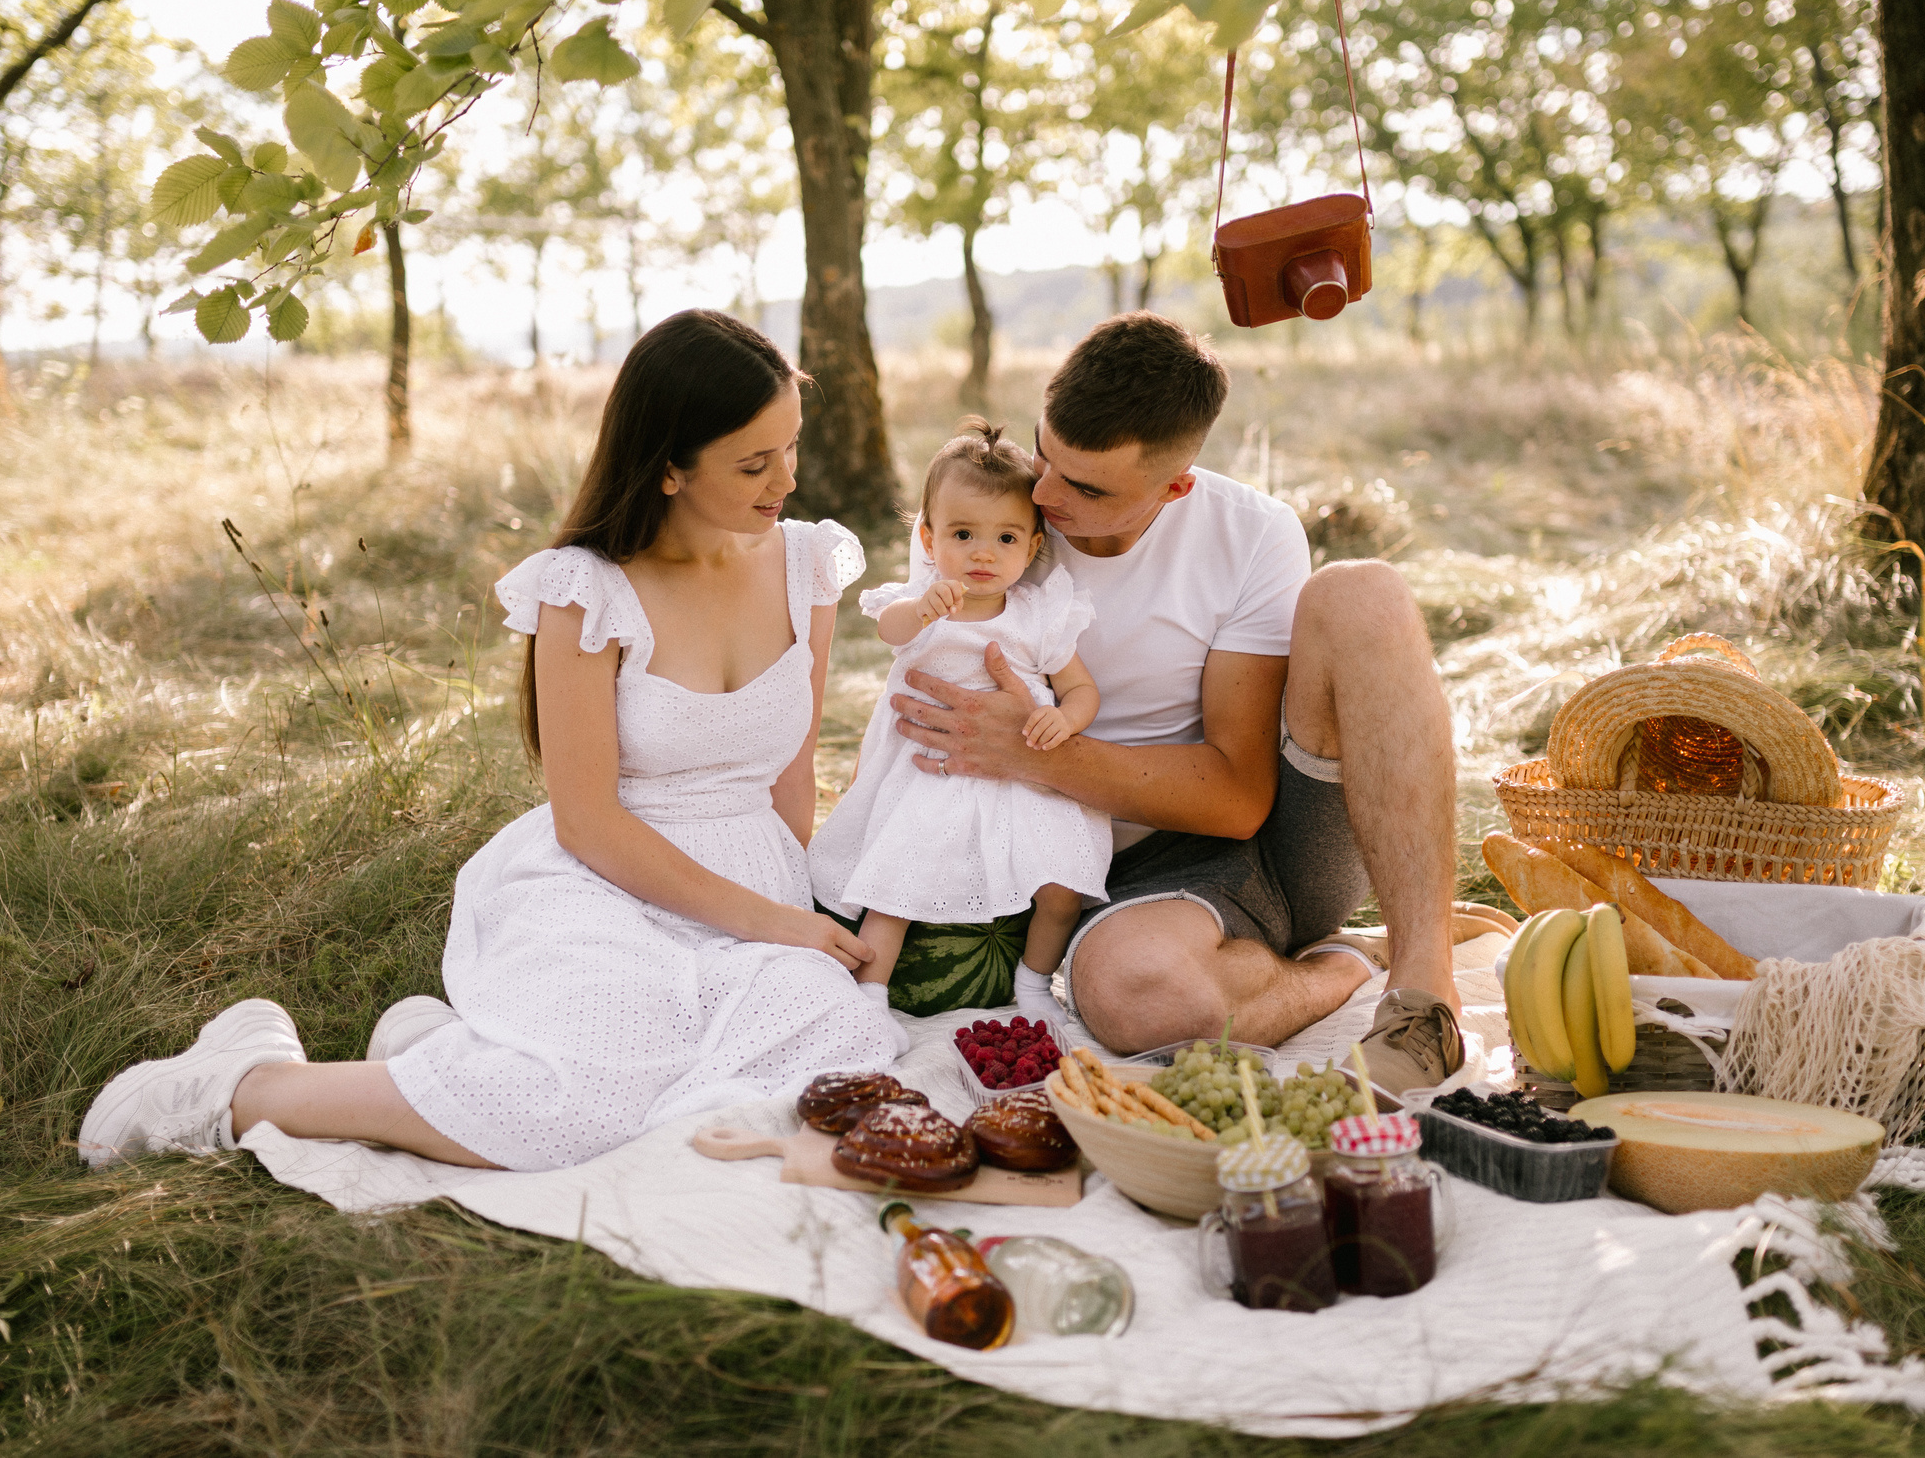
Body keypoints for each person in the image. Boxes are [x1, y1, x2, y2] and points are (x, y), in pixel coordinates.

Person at [77, 311, 903, 1174]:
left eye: (792, 447)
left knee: (831, 1051)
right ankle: (246, 1087)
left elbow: (792, 774)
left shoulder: (807, 563)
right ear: (668, 466)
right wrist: (770, 924)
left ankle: (429, 1051)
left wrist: (795, 923)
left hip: (756, 877)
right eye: (753, 462)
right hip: (614, 878)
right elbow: (587, 820)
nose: (788, 479)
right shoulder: (586, 590)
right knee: (577, 1103)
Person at [888, 313, 1470, 1092]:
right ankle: (1341, 962)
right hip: (1110, 869)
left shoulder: (1251, 534)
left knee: (1363, 593)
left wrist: (1036, 753)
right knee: (1135, 998)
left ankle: (1423, 993)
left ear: (1175, 487)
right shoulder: (994, 517)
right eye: (1044, 451)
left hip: (1271, 840)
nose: (1046, 493)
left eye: (1087, 486)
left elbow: (1237, 797)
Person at [808, 419, 1110, 1024]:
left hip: (1022, 776)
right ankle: (871, 994)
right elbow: (890, 632)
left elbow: (1079, 688)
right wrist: (922, 609)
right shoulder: (922, 608)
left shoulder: (1038, 616)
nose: (982, 553)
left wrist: (1068, 721)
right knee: (895, 886)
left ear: (1031, 547)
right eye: (963, 533)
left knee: (1060, 886)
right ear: (928, 537)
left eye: (1006, 538)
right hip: (932, 777)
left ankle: (1033, 982)